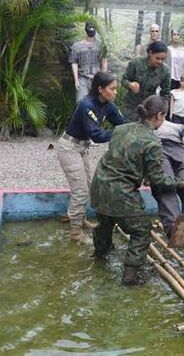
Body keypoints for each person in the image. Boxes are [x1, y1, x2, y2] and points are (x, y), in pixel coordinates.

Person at [91, 95, 184, 285]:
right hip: (121, 193)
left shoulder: (120, 129)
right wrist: (182, 184)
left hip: (99, 186)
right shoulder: (152, 141)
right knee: (141, 231)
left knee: (105, 224)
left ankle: (99, 257)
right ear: (158, 115)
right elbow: (157, 178)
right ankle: (130, 278)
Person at [56, 72, 125, 244]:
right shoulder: (86, 105)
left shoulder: (108, 105)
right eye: (113, 89)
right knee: (80, 191)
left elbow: (122, 123)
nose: (116, 92)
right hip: (69, 148)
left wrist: (137, 127)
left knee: (86, 186)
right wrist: (119, 133)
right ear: (101, 89)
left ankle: (80, 219)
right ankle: (75, 233)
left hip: (82, 148)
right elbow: (97, 135)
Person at [151, 119, 184, 238]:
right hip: (180, 153)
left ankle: (174, 228)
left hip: (158, 150)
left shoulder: (147, 125)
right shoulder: (179, 127)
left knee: (166, 189)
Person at [122, 40, 171, 122]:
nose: (160, 62)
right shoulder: (136, 63)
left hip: (149, 109)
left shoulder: (165, 70)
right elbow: (124, 80)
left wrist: (163, 112)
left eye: (163, 59)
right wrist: (130, 85)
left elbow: (165, 94)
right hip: (130, 106)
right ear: (150, 53)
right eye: (157, 58)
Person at [69, 21, 108, 103]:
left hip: (96, 79)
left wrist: (103, 78)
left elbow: (104, 62)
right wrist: (76, 79)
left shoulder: (101, 45)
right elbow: (74, 62)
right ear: (86, 30)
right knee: (81, 103)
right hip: (82, 78)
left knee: (97, 103)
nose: (91, 30)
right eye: (89, 28)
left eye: (93, 28)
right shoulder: (77, 46)